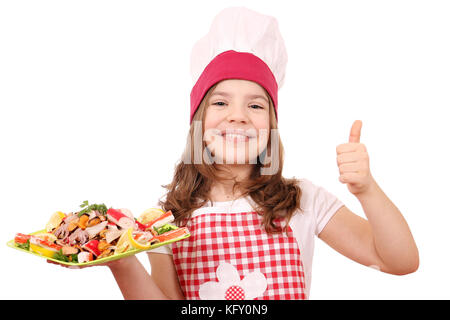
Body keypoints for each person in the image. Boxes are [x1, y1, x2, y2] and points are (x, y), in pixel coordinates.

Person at [51, 6, 419, 300]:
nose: (238, 115)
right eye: (221, 102)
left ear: (271, 127)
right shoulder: (166, 221)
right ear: (198, 123)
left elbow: (400, 261)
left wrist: (366, 189)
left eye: (256, 106)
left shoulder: (303, 200)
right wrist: (122, 261)